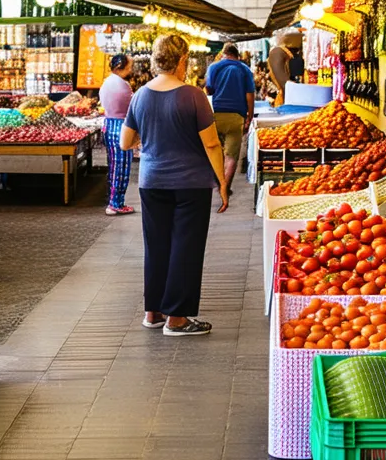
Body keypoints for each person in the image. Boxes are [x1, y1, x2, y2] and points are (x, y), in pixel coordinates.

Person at [120, 35, 228, 337]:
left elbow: (125, 142)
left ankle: (152, 312)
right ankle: (177, 319)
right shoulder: (192, 96)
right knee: (185, 247)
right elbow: (212, 144)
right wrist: (222, 183)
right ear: (182, 61)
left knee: (156, 245)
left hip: (151, 182)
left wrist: (154, 140)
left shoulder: (140, 95)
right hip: (190, 184)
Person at [205, 43, 255, 193]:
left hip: (215, 115)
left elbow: (209, 90)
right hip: (236, 117)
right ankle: (225, 187)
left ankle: (217, 178)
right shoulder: (244, 69)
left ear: (223, 54)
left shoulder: (214, 67)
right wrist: (250, 116)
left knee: (216, 151)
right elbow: (250, 96)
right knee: (232, 155)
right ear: (237, 56)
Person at [99, 54, 135, 216]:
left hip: (109, 125)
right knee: (122, 167)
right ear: (122, 66)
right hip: (121, 127)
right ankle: (116, 204)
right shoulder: (123, 85)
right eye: (129, 66)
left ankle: (113, 201)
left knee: (113, 166)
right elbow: (132, 107)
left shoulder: (107, 82)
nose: (131, 69)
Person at [267, 31, 302, 106]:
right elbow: (283, 82)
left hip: (290, 96)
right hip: (286, 98)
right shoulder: (277, 52)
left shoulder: (288, 53)